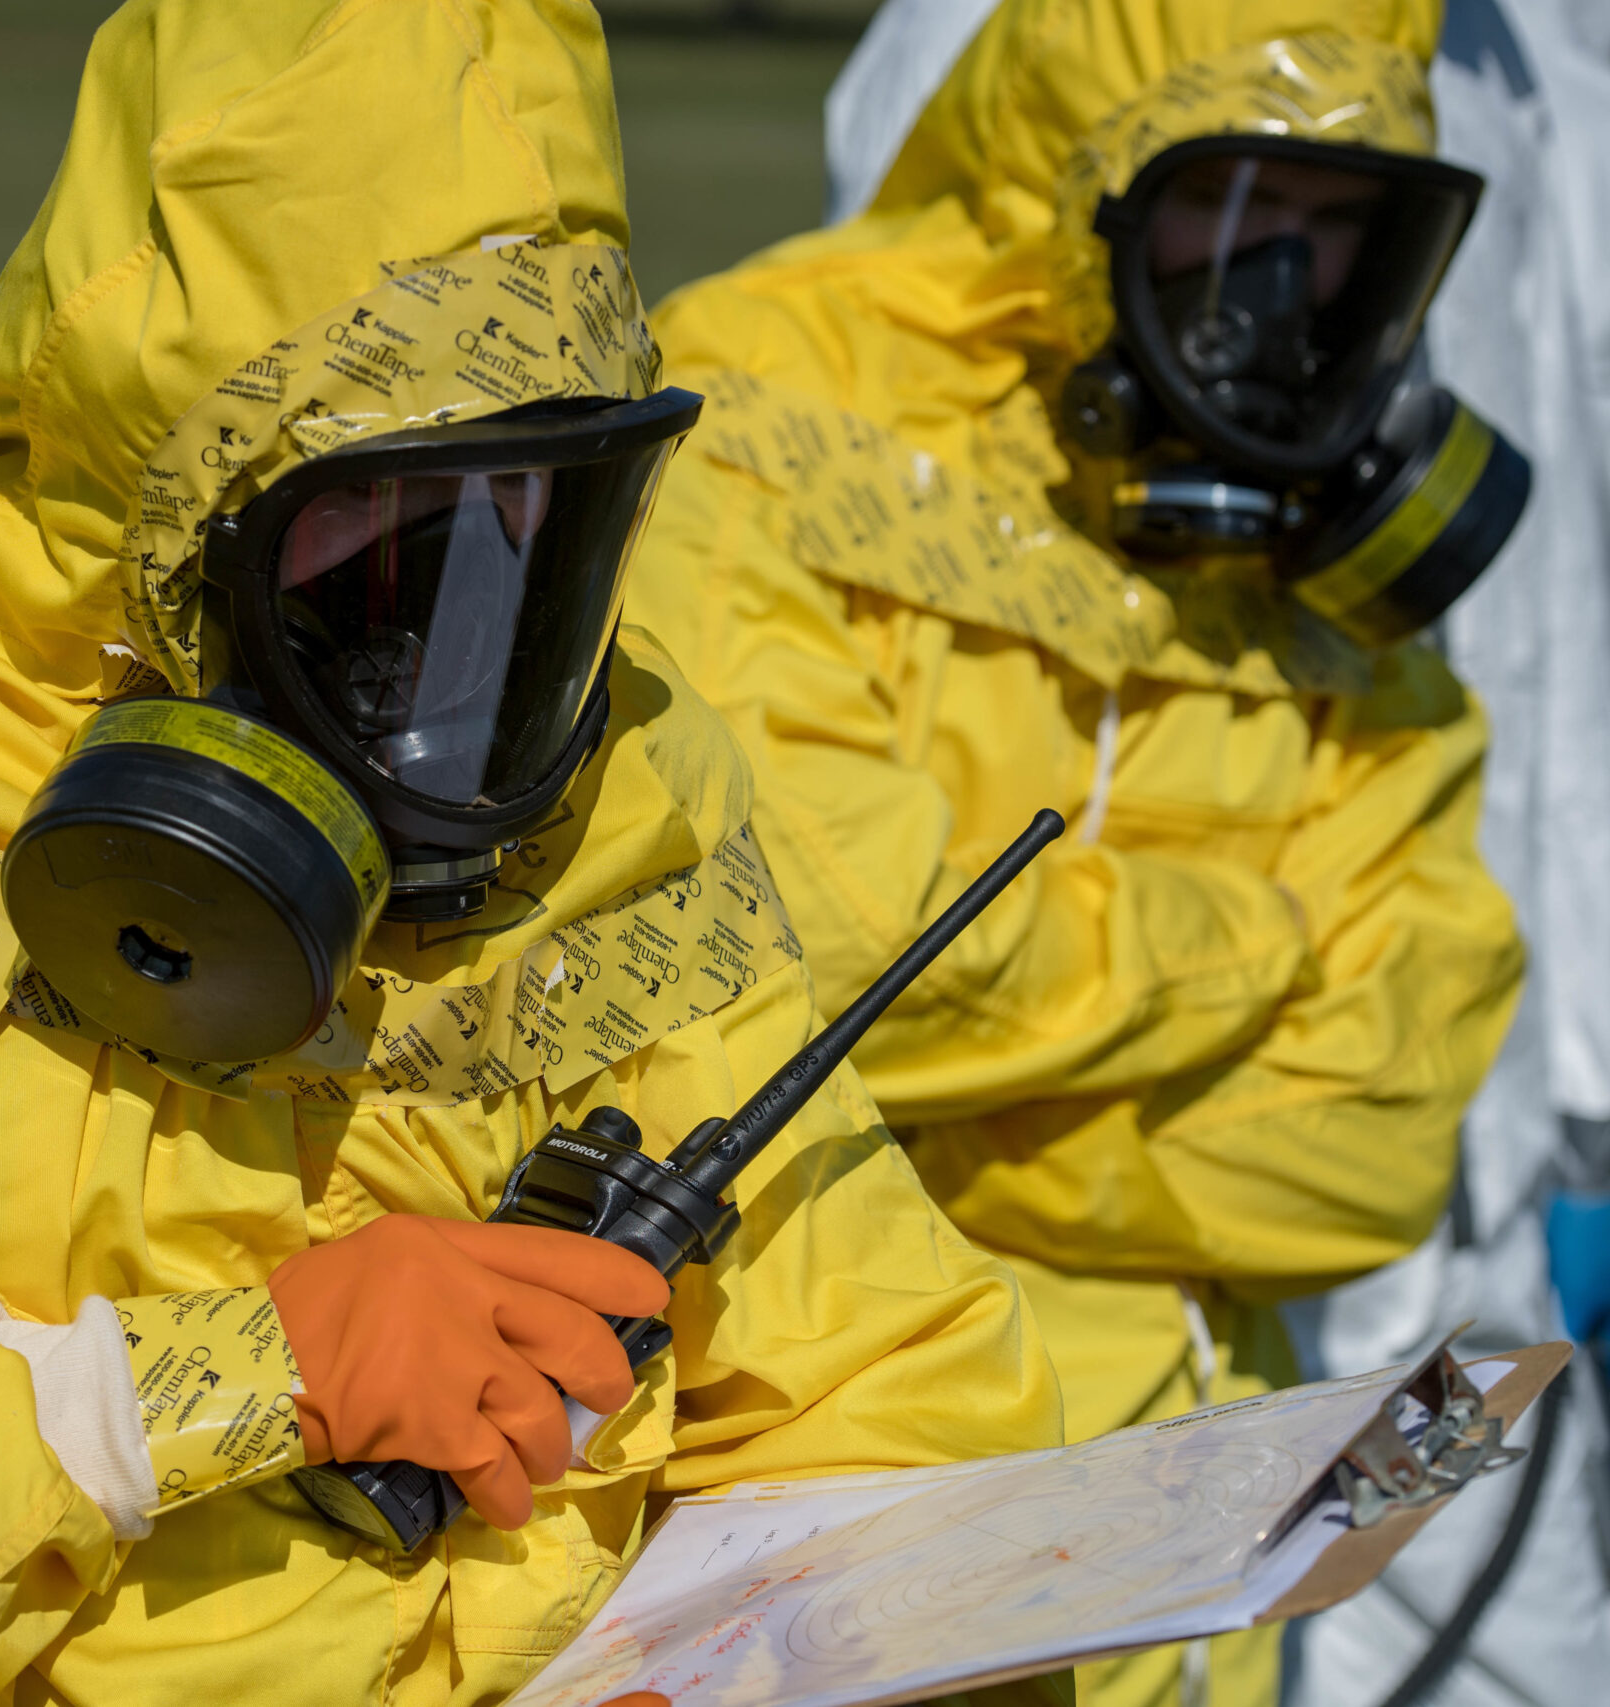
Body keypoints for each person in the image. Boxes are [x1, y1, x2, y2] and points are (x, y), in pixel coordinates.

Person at [0, 2, 1065, 1701]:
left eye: (532, 536)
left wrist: (804, 1664)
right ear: (183, 507)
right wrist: (199, 1391)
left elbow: (881, 1386)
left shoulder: (627, 781)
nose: (458, 664)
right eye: (383, 550)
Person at [625, 4, 1529, 1707]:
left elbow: (1384, 1132)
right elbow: (819, 950)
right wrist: (1260, 946)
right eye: (1233, 204)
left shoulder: (1317, 535)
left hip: (1205, 1544)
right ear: (1081, 184)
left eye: (1338, 222)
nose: (1280, 280)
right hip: (832, 1506)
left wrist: (934, 1130)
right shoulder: (769, 403)